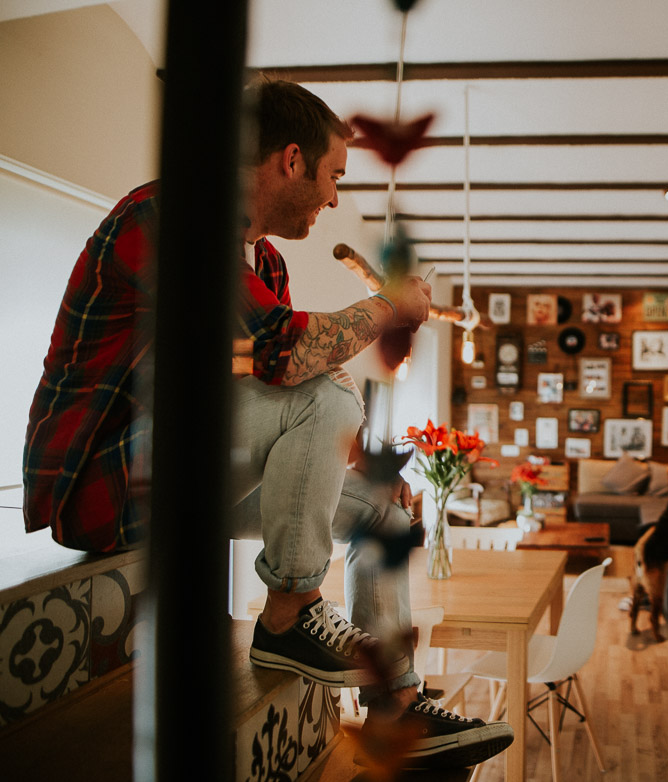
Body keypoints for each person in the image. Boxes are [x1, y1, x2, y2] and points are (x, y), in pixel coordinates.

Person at [21, 79, 511, 769]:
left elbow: (246, 373)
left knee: (382, 512)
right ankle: (288, 612)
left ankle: (394, 712)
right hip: (104, 483)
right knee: (325, 389)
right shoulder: (169, 216)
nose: (335, 197)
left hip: (182, 473)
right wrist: (385, 307)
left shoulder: (267, 262)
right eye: (333, 176)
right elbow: (284, 359)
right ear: (290, 160)